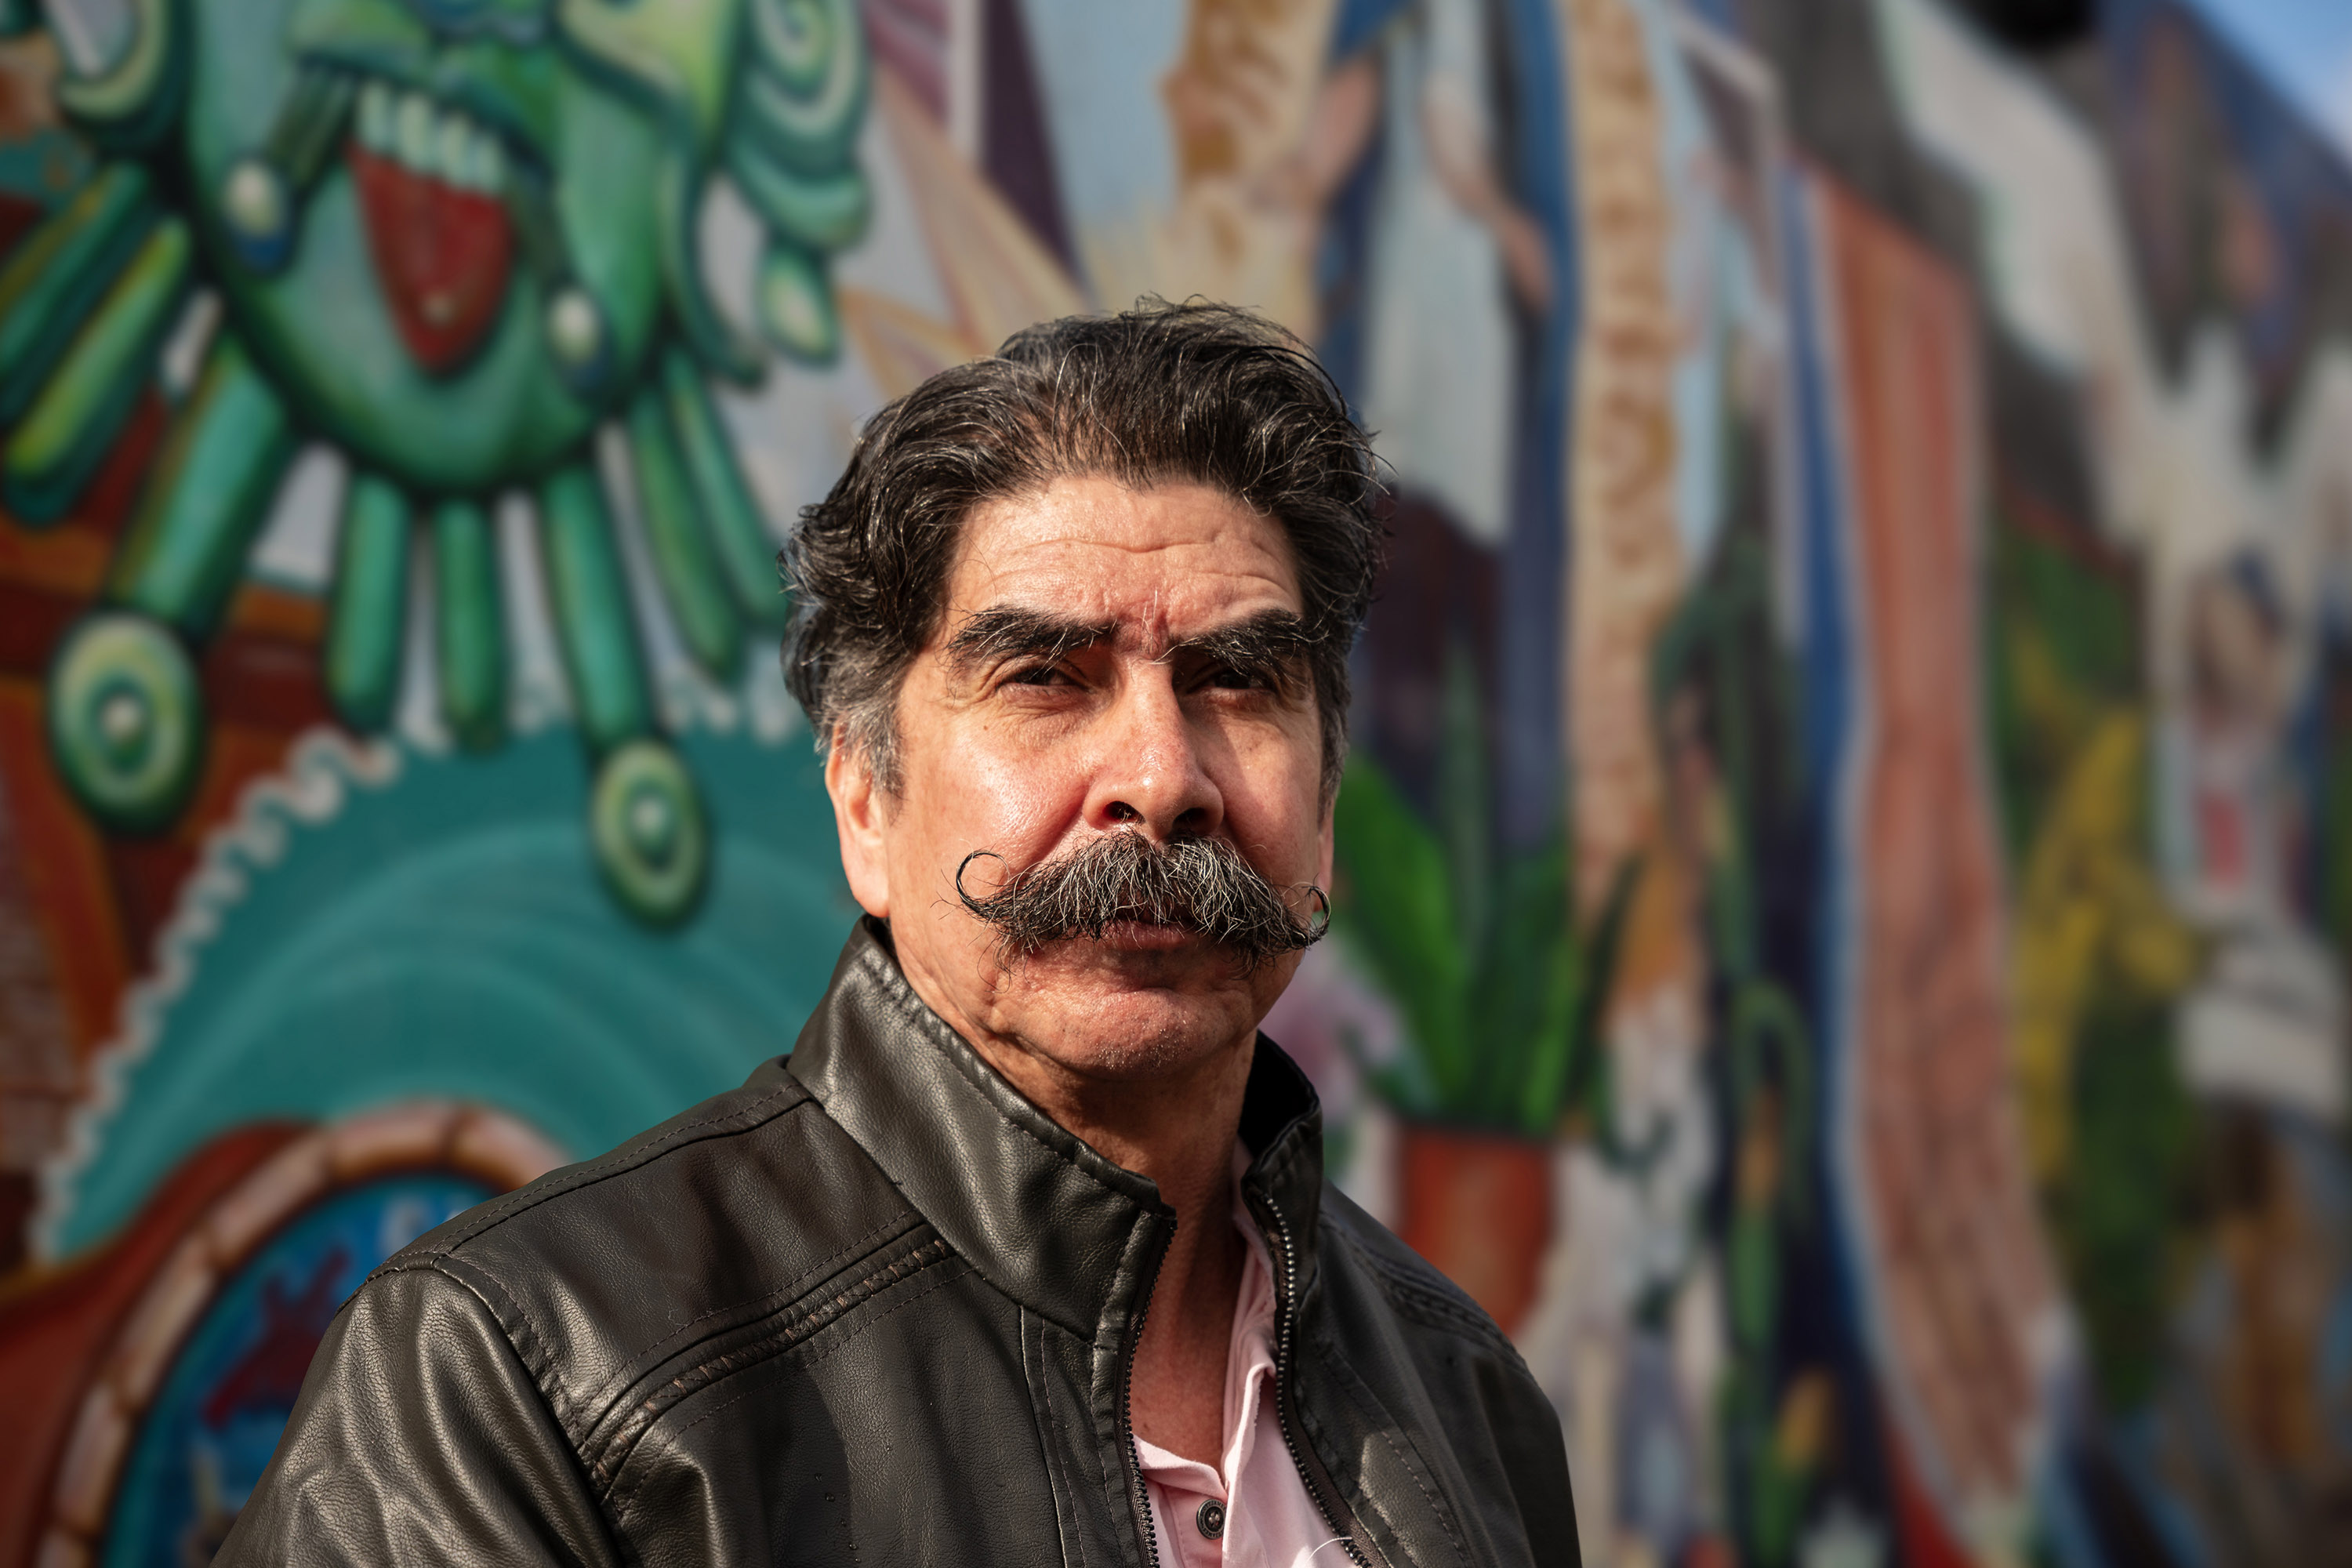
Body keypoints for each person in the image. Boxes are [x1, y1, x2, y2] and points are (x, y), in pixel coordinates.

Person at [218, 301, 1579, 1566]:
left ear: (1326, 806)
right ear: (865, 797)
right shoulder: (515, 1383)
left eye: (1238, 680)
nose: (1162, 776)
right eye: (1047, 677)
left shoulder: (1465, 1404)